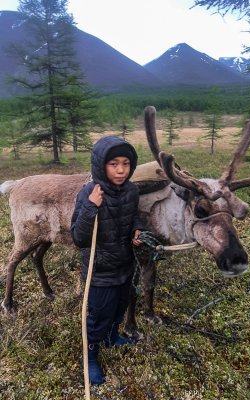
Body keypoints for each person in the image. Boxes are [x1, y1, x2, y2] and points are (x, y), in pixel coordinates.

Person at [71, 136, 144, 385]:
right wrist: (91, 207)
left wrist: (137, 230)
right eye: (114, 163)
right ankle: (89, 356)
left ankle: (112, 337)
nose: (121, 170)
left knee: (120, 307)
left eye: (126, 163)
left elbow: (135, 216)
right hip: (99, 271)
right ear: (101, 164)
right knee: (99, 315)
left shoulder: (132, 190)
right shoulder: (89, 193)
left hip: (125, 265)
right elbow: (78, 238)